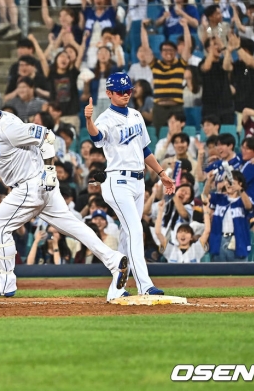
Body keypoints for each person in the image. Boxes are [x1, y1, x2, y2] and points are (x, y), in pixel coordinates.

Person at [0, 95, 129, 298]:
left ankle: (6, 281)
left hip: (30, 186)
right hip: (38, 186)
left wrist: (49, 168)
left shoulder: (8, 128)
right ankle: (114, 260)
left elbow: (48, 136)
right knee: (74, 227)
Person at [84, 72, 176, 300]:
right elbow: (97, 138)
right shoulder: (105, 118)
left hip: (138, 181)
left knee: (128, 236)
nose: (125, 94)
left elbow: (145, 150)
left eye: (128, 91)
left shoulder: (136, 115)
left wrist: (162, 173)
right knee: (136, 230)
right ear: (109, 93)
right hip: (117, 181)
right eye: (120, 91)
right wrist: (88, 121)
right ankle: (145, 285)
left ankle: (116, 289)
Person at [155, 198, 211, 263]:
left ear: (191, 237)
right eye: (180, 232)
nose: (183, 235)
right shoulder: (170, 249)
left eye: (186, 232)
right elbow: (158, 232)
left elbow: (207, 231)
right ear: (176, 236)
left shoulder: (196, 249)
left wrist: (206, 210)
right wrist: (160, 211)